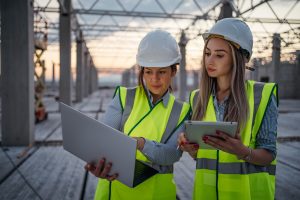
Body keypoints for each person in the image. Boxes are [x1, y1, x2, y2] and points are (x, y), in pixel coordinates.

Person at [178, 18, 278, 200]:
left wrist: (242, 151)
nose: (210, 60)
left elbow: (269, 153)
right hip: (206, 194)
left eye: (219, 55)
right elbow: (202, 156)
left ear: (240, 57)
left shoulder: (261, 95)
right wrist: (191, 149)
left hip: (247, 194)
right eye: (207, 53)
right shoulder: (197, 98)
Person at [85, 30, 190, 200]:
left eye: (161, 72)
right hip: (115, 191)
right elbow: (105, 141)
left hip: (156, 193)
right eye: (148, 71)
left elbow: (172, 154)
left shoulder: (181, 110)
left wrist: (141, 144)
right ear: (142, 71)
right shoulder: (124, 97)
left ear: (173, 71)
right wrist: (100, 164)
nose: (154, 79)